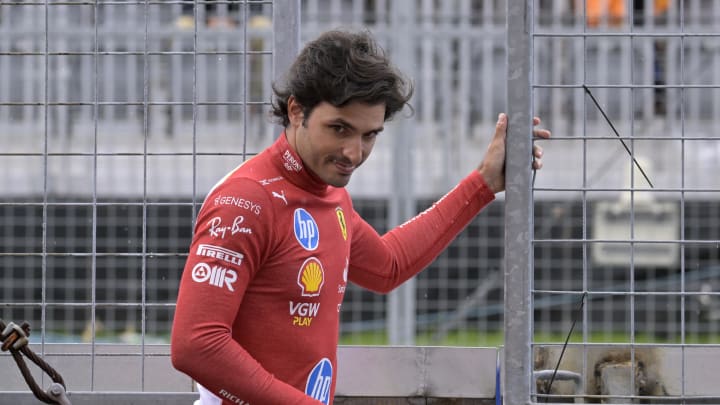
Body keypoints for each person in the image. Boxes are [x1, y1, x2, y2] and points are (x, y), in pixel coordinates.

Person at [170, 29, 550, 405]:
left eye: (369, 135)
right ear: (296, 111)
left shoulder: (329, 193)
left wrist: (482, 183)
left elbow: (389, 266)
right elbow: (196, 344)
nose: (353, 153)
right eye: (339, 129)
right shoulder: (245, 201)